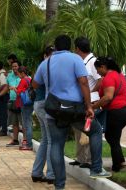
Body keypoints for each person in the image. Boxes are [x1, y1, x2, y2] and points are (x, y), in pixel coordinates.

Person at [32, 35, 111, 190]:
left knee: (56, 144)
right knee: (95, 131)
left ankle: (59, 186)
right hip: (75, 110)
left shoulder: (46, 63)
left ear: (55, 47)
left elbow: (35, 84)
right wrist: (89, 106)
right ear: (70, 47)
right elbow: (83, 82)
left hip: (53, 112)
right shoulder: (76, 59)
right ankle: (96, 168)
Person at [92, 57, 126, 172]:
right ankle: (121, 161)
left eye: (97, 69)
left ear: (103, 67)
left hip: (116, 111)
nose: (97, 72)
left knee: (112, 138)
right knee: (113, 137)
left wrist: (93, 106)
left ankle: (117, 166)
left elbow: (108, 97)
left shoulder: (109, 77)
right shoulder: (119, 75)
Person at [69, 36, 102, 168]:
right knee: (79, 131)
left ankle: (88, 159)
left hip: (92, 102)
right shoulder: (81, 61)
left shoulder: (93, 62)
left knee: (88, 130)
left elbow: (100, 80)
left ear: (77, 48)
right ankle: (80, 158)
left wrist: (89, 92)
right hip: (81, 102)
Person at [31, 46, 55, 184]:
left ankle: (37, 172)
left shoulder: (42, 67)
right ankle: (51, 174)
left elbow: (34, 84)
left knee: (45, 139)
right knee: (51, 140)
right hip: (44, 104)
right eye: (51, 54)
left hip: (39, 104)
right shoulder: (46, 66)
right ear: (45, 55)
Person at [14, 66, 33, 150]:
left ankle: (29, 144)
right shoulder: (29, 79)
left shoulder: (23, 80)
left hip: (24, 103)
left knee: (26, 124)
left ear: (22, 73)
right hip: (30, 103)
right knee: (29, 122)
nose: (18, 75)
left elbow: (19, 93)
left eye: (18, 73)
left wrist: (14, 89)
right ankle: (28, 143)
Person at [3, 61, 22, 147]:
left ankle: (25, 140)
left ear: (19, 67)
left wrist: (15, 88)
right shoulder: (9, 76)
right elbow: (7, 87)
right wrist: (0, 94)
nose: (14, 68)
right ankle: (15, 140)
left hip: (21, 101)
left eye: (16, 66)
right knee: (14, 122)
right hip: (12, 100)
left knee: (23, 122)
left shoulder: (22, 76)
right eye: (13, 66)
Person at [0, 61, 9, 136]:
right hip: (1, 95)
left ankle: (4, 130)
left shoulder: (2, 74)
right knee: (0, 113)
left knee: (2, 113)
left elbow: (4, 85)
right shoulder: (0, 74)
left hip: (3, 95)